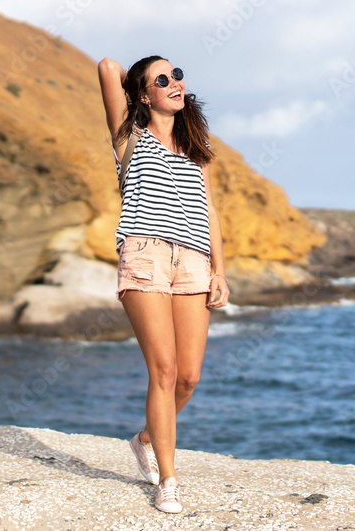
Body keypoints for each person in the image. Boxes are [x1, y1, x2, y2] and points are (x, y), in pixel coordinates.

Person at [98, 55, 230, 514]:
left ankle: (145, 439)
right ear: (142, 94)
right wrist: (135, 85)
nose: (175, 82)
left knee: (189, 377)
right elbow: (106, 65)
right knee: (165, 370)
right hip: (145, 257)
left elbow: (210, 210)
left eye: (178, 75)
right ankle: (168, 480)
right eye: (162, 78)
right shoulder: (128, 139)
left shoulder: (196, 145)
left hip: (194, 261)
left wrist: (220, 269)